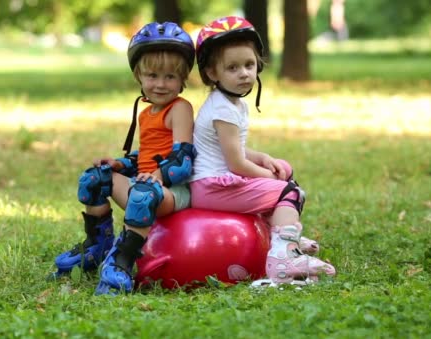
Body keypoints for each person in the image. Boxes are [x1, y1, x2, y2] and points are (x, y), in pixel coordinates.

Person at [53, 22, 197, 295]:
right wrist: (121, 165)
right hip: (149, 183)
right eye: (153, 75)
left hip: (173, 191)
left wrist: (157, 176)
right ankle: (97, 246)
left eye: (170, 76)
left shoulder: (180, 109)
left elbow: (182, 160)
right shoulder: (146, 113)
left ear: (183, 78)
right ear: (138, 76)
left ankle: (122, 264)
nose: (161, 84)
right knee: (93, 179)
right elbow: (147, 155)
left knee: (142, 195)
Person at [190, 16, 336, 284]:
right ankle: (283, 259)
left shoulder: (231, 102)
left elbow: (234, 148)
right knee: (289, 191)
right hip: (211, 187)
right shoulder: (223, 108)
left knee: (284, 169)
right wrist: (268, 178)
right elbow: (235, 163)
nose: (244, 73)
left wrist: (265, 160)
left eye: (248, 64)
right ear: (212, 73)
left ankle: (280, 235)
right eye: (232, 68)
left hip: (216, 181)